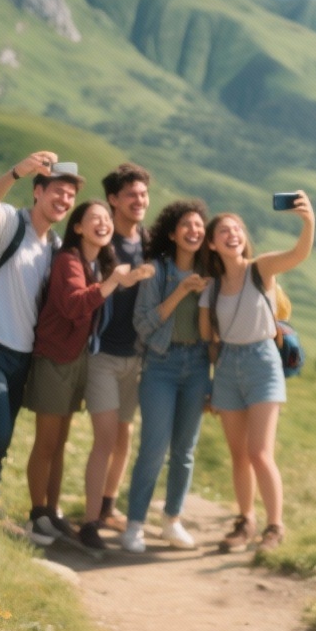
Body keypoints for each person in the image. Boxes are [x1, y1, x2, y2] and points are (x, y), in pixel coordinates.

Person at [23, 200, 154, 551]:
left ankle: (51, 511)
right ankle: (37, 514)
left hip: (75, 359)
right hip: (55, 358)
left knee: (60, 442)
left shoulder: (95, 262)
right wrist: (113, 281)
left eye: (105, 220)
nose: (103, 224)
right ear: (77, 227)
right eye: (93, 219)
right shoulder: (69, 260)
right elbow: (74, 305)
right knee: (47, 441)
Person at [0, 152, 79, 515]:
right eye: (58, 191)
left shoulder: (56, 248)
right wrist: (15, 171)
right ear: (38, 192)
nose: (64, 200)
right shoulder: (9, 224)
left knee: (4, 433)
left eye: (70, 196)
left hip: (22, 355)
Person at [198, 197, 316, 554]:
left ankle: (274, 526)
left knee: (260, 452)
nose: (232, 234)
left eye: (236, 229)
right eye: (223, 231)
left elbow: (298, 254)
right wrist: (209, 386)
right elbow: (209, 341)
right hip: (228, 366)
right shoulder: (211, 286)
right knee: (238, 454)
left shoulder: (261, 269)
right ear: (212, 243)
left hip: (263, 361)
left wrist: (308, 221)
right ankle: (245, 520)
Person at [121, 200, 212, 554]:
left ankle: (172, 521)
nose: (194, 231)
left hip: (198, 365)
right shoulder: (156, 270)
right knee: (154, 449)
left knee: (185, 451)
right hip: (161, 363)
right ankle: (135, 525)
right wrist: (181, 291)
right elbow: (143, 325)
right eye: (186, 225)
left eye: (199, 225)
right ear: (172, 233)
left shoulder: (210, 272)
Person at [83, 163, 151, 533]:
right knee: (105, 438)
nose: (139, 201)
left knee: (123, 436)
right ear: (113, 200)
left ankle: (107, 507)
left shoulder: (150, 242)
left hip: (136, 356)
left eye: (143, 194)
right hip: (103, 355)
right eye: (131, 195)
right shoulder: (103, 242)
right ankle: (91, 521)